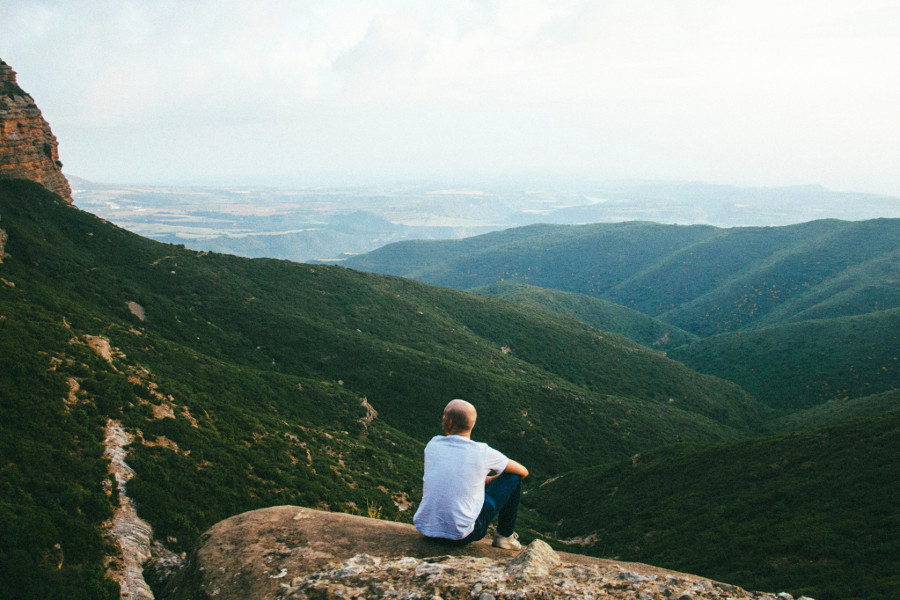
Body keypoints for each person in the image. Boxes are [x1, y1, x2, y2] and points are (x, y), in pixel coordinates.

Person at [413, 398, 529, 550]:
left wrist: (482, 480)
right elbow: (523, 472)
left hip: (426, 529)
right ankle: (504, 537)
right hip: (461, 536)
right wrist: (494, 480)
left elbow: (454, 475)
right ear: (472, 424)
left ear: (449, 423)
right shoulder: (482, 452)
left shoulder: (433, 445)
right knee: (513, 478)